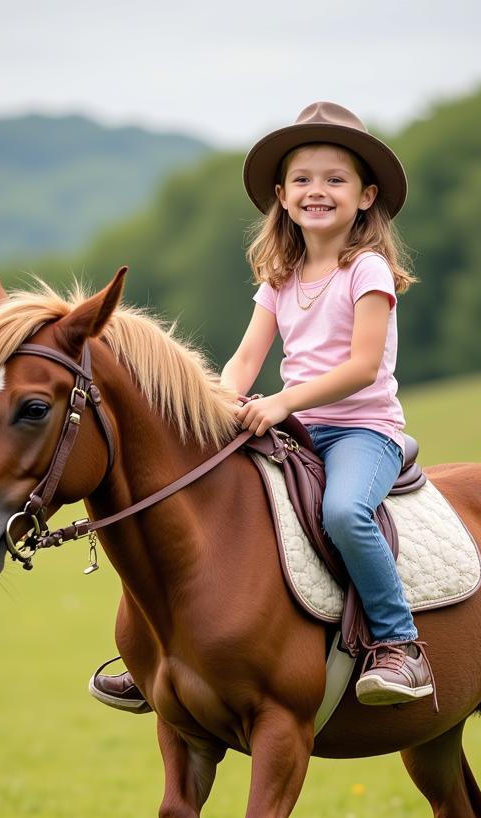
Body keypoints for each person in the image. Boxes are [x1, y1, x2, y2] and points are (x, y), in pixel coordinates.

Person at [90, 101, 434, 714]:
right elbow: (247, 359)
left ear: (365, 195)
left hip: (361, 431)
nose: (317, 192)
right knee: (202, 502)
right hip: (294, 425)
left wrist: (278, 402)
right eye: (302, 180)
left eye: (335, 180)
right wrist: (219, 404)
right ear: (281, 194)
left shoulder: (369, 272)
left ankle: (399, 642)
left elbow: (360, 367)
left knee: (346, 512)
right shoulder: (280, 276)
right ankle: (159, 652)